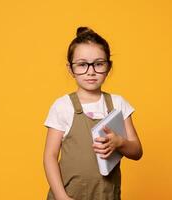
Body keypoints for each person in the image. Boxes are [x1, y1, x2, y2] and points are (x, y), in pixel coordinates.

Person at [43, 26, 143, 200]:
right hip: (69, 196)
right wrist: (61, 196)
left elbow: (137, 151)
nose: (91, 71)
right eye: (82, 64)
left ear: (108, 66)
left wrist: (120, 142)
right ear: (70, 69)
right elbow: (50, 156)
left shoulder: (118, 104)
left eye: (98, 64)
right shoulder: (62, 106)